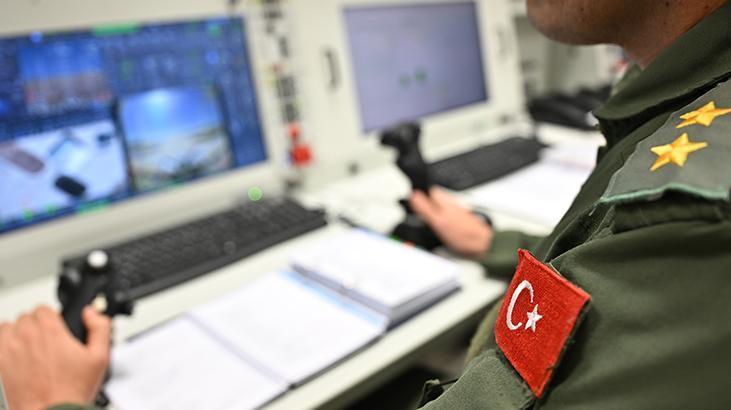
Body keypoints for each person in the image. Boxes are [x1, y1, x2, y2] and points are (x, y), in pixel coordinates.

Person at [2, 0, 731, 408]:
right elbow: (604, 280)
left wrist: (54, 403)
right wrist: (491, 242)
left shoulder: (691, 214)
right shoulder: (686, 119)